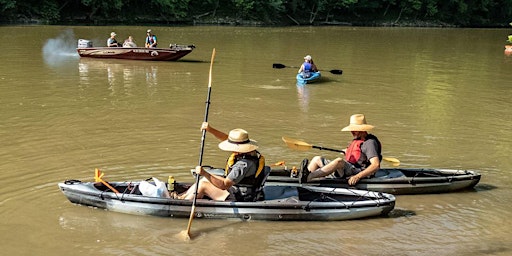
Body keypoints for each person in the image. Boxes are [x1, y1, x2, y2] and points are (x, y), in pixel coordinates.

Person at [174, 122, 266, 201]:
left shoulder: (242, 165)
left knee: (203, 185)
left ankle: (184, 202)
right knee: (204, 180)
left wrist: (204, 173)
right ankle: (183, 196)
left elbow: (224, 185)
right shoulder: (251, 153)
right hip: (240, 188)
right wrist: (210, 129)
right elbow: (225, 138)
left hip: (240, 196)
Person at [300, 114, 382, 186]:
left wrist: (357, 176)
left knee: (339, 161)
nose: (352, 132)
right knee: (316, 159)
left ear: (362, 129)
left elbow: (375, 165)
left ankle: (308, 177)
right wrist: (348, 152)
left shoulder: (370, 143)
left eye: (355, 129)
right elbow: (359, 154)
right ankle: (303, 177)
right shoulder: (358, 139)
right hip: (349, 169)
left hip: (358, 172)